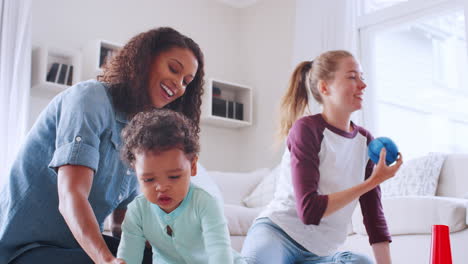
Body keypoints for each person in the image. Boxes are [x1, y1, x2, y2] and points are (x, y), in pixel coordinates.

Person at [0, 27, 205, 264]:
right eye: (173, 69)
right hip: (23, 249)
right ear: (145, 60)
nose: (179, 85)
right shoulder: (89, 99)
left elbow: (124, 221)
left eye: (186, 82)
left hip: (75, 246)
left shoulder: (143, 135)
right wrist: (105, 259)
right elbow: (71, 195)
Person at [241, 50, 403, 264]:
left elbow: (374, 217)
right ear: (325, 87)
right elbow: (309, 211)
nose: (363, 85)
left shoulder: (365, 141)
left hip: (320, 255)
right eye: (352, 77)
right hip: (278, 235)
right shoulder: (306, 129)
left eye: (362, 78)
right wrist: (372, 181)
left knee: (363, 262)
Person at [116, 109, 245, 264]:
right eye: (149, 179)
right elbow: (128, 257)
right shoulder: (137, 211)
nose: (162, 187)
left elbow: (220, 254)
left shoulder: (205, 204)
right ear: (135, 172)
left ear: (193, 166)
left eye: (174, 177)